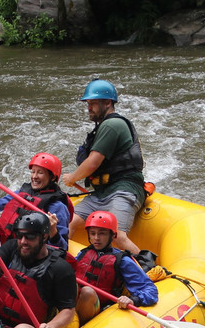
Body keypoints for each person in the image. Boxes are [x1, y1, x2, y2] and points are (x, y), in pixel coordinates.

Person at [59, 78, 157, 272]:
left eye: (93, 103)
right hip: (102, 193)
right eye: (88, 104)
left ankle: (152, 270)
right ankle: (62, 267)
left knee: (118, 236)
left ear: (108, 103)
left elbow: (93, 161)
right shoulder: (103, 126)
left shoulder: (112, 125)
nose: (89, 108)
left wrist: (72, 178)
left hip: (124, 189)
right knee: (68, 224)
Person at [72, 210, 158, 324]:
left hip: (98, 307)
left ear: (113, 235)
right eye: (92, 233)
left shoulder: (122, 260)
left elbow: (150, 290)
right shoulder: (82, 254)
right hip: (72, 303)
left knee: (87, 292)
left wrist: (133, 300)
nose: (96, 238)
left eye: (102, 233)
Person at [0, 152, 73, 250]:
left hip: (28, 254)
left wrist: (53, 232)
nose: (34, 176)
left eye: (40, 172)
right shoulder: (21, 193)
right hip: (4, 245)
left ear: (52, 177)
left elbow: (63, 248)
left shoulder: (58, 207)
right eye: (33, 172)